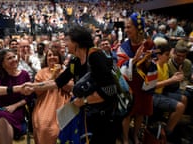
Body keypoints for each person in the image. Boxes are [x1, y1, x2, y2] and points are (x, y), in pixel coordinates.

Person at [25, 26, 119, 144]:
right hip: (87, 117)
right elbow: (57, 82)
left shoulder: (96, 57)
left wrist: (84, 100)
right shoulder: (75, 62)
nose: (65, 44)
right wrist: (33, 86)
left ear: (76, 42)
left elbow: (110, 90)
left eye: (67, 40)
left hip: (104, 118)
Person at [117, 12, 157, 144]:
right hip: (129, 85)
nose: (126, 30)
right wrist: (134, 60)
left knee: (140, 112)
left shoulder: (150, 45)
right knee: (127, 113)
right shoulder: (124, 46)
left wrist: (147, 61)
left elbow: (153, 64)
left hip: (143, 84)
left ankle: (135, 136)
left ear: (138, 28)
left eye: (129, 27)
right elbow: (120, 66)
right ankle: (125, 138)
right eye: (126, 27)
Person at [0, 49, 33, 144]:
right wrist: (18, 88)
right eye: (9, 58)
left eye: (14, 57)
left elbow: (29, 97)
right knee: (1, 118)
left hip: (17, 109)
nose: (14, 59)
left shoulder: (24, 74)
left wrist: (15, 106)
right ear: (2, 63)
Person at [33, 47, 73, 144]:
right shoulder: (41, 72)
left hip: (63, 104)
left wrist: (59, 75)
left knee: (60, 129)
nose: (52, 57)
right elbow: (37, 91)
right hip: (45, 105)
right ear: (46, 58)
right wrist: (53, 75)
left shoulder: (66, 71)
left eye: (55, 55)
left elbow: (70, 87)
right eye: (49, 55)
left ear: (59, 57)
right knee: (44, 126)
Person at [152, 37, 187, 142]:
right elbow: (151, 86)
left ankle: (173, 124)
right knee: (180, 106)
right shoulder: (154, 67)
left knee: (184, 98)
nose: (169, 57)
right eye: (167, 55)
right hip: (153, 95)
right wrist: (171, 80)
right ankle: (167, 134)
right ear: (159, 55)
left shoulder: (165, 65)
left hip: (162, 92)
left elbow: (167, 80)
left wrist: (175, 76)